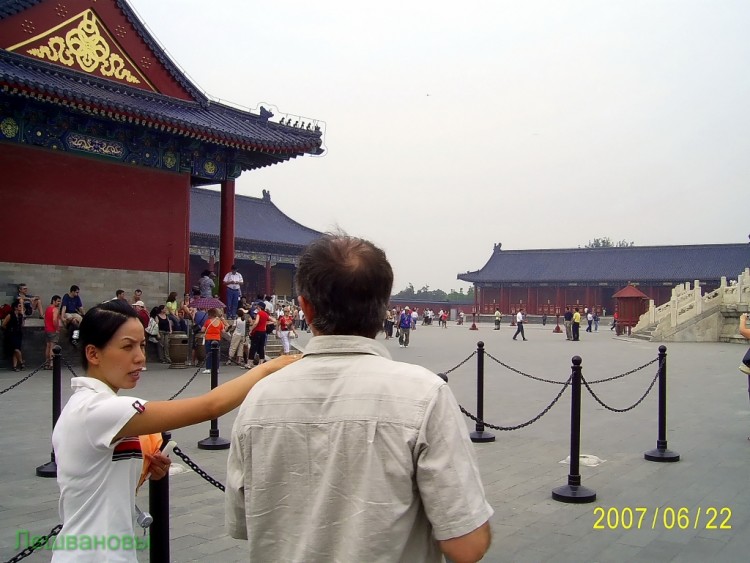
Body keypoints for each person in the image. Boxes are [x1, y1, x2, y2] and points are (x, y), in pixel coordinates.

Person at [225, 233, 493, 562]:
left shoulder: (259, 399)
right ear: (384, 309)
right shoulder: (424, 396)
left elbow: (243, 524)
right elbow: (467, 546)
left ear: (305, 307)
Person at [51, 299, 297, 563]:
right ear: (93, 353)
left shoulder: (92, 406)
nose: (140, 357)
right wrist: (268, 368)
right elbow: (209, 407)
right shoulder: (96, 410)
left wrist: (143, 471)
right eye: (127, 347)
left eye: (142, 345)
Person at [201, 308, 227, 374]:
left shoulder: (208, 321)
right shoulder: (220, 322)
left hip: (209, 339)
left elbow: (202, 330)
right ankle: (216, 368)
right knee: (216, 354)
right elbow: (223, 331)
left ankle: (208, 368)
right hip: (217, 339)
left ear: (210, 314)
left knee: (208, 354)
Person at [3, 300, 25, 371]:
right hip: (11, 334)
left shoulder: (20, 316)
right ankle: (21, 362)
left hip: (18, 333)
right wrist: (9, 330)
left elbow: (22, 324)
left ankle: (14, 366)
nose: (20, 307)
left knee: (16, 350)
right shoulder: (10, 315)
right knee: (16, 349)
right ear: (15, 307)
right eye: (19, 306)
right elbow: (3, 324)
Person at [44, 295, 62, 369]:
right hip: (53, 330)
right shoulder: (55, 309)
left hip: (47, 329)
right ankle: (51, 363)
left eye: (60, 301)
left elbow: (45, 319)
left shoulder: (48, 308)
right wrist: (57, 328)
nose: (59, 303)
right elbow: (54, 320)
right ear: (53, 301)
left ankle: (46, 363)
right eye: (58, 301)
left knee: (48, 347)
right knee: (52, 347)